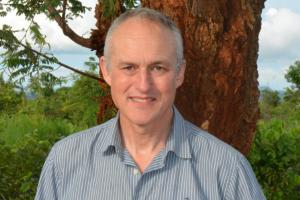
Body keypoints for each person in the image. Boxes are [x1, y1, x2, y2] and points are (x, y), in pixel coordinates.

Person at [35, 8, 266, 200]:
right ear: (106, 71)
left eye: (158, 68)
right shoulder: (64, 162)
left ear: (179, 73)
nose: (143, 85)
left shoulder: (227, 171)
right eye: (129, 67)